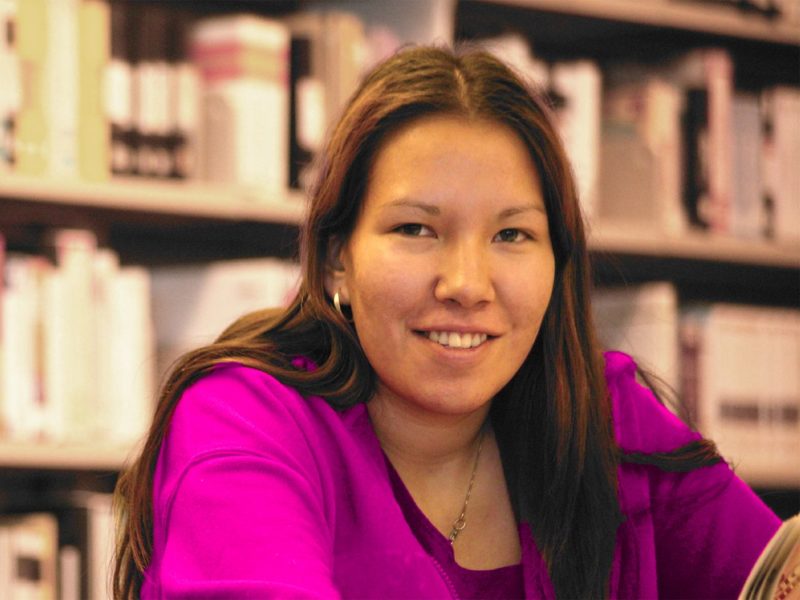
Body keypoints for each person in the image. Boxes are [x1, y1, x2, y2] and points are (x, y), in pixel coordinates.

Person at [113, 45, 781, 599]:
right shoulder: (245, 417)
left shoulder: (601, 418)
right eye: (416, 229)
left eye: (512, 236)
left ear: (559, 261)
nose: (466, 285)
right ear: (335, 260)